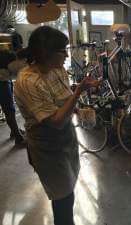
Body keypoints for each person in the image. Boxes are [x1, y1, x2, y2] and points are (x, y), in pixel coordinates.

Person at [14, 26, 101, 225]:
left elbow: (63, 100)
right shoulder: (28, 81)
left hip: (66, 138)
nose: (66, 55)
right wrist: (79, 92)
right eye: (63, 51)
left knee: (68, 190)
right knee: (62, 198)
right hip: (46, 147)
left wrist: (79, 109)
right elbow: (55, 121)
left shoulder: (57, 69)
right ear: (47, 53)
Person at [0, 49, 25, 146]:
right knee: (9, 108)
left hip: (5, 79)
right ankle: (18, 138)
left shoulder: (6, 55)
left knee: (10, 107)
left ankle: (14, 131)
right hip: (2, 80)